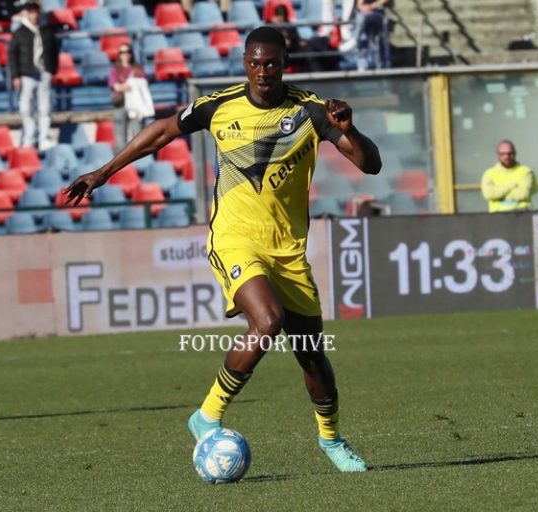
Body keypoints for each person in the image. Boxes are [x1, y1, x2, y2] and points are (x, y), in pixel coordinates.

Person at [65, 26, 381, 473]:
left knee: (312, 356)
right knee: (267, 320)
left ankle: (331, 440)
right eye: (254, 63)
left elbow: (370, 165)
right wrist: (104, 171)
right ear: (245, 65)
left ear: (284, 64)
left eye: (271, 63)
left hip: (288, 250)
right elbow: (160, 132)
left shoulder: (312, 111)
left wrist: (352, 129)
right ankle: (207, 415)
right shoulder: (220, 105)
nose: (263, 71)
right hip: (235, 239)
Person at [8, 1, 56, 151]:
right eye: (31, 12)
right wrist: (16, 75)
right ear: (26, 13)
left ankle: (44, 138)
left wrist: (51, 70)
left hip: (43, 73)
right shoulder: (19, 33)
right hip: (27, 74)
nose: (34, 15)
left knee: (45, 107)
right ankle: (29, 138)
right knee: (26, 108)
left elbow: (54, 51)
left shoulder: (46, 31)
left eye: (36, 12)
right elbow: (12, 55)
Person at [480, 140, 537, 213]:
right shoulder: (489, 174)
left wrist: (498, 195)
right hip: (497, 216)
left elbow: (524, 194)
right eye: (503, 154)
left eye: (510, 153)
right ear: (498, 155)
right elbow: (488, 194)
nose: (506, 156)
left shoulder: (525, 172)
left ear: (515, 153)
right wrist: (512, 185)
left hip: (522, 214)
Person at [108, 43, 147, 151]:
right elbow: (116, 87)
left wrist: (127, 85)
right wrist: (129, 85)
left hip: (135, 104)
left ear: (131, 53)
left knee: (138, 135)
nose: (125, 55)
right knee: (120, 138)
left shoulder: (137, 69)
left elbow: (143, 84)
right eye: (122, 52)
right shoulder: (115, 70)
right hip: (121, 104)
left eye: (127, 52)